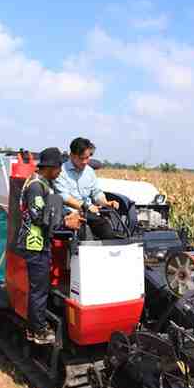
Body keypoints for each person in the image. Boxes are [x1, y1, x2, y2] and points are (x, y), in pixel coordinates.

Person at [15, 147, 83, 344]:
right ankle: (38, 331)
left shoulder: (45, 183)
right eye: (59, 167)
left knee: (40, 287)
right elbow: (38, 217)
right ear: (51, 167)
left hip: (40, 242)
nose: (61, 171)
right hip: (34, 243)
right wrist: (65, 223)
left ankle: (33, 327)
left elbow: (49, 211)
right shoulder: (37, 186)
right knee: (39, 289)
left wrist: (66, 217)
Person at [54, 137, 120, 240]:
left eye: (87, 158)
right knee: (82, 233)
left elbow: (96, 192)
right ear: (72, 155)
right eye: (81, 158)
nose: (85, 161)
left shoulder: (89, 172)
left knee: (107, 231)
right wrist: (85, 207)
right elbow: (64, 197)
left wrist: (106, 203)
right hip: (69, 213)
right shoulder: (60, 172)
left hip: (89, 212)